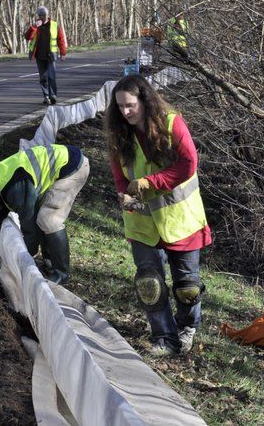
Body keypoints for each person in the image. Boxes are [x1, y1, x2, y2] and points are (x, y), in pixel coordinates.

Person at [105, 74, 211, 357]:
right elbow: (119, 174)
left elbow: (188, 164)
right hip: (141, 221)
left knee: (187, 286)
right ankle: (164, 337)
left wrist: (151, 183)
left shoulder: (170, 122)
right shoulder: (119, 134)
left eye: (130, 105)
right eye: (120, 107)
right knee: (149, 283)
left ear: (144, 100)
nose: (125, 112)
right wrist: (123, 196)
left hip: (181, 219)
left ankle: (186, 328)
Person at [0, 144, 89, 285]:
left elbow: (31, 230)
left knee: (48, 219)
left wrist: (17, 262)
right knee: (43, 217)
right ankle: (49, 261)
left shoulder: (15, 187)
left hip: (72, 166)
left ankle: (61, 274)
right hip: (63, 163)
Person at [24, 6, 68, 105]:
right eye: (40, 15)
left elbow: (60, 39)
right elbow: (27, 37)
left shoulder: (54, 25)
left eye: (43, 15)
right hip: (39, 55)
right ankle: (46, 96)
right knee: (43, 78)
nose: (41, 17)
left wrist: (63, 52)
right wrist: (34, 27)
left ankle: (53, 95)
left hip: (51, 54)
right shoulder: (36, 26)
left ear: (47, 15)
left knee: (51, 76)